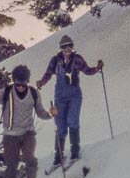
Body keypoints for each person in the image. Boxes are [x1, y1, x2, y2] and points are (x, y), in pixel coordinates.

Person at [36, 34, 103, 164]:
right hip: (60, 96)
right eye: (64, 46)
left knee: (72, 120)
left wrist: (97, 68)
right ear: (61, 48)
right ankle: (58, 155)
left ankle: (75, 151)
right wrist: (41, 82)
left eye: (69, 46)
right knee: (60, 125)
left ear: (72, 47)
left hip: (74, 95)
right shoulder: (55, 60)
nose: (67, 49)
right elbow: (48, 73)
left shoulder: (77, 59)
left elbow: (87, 70)